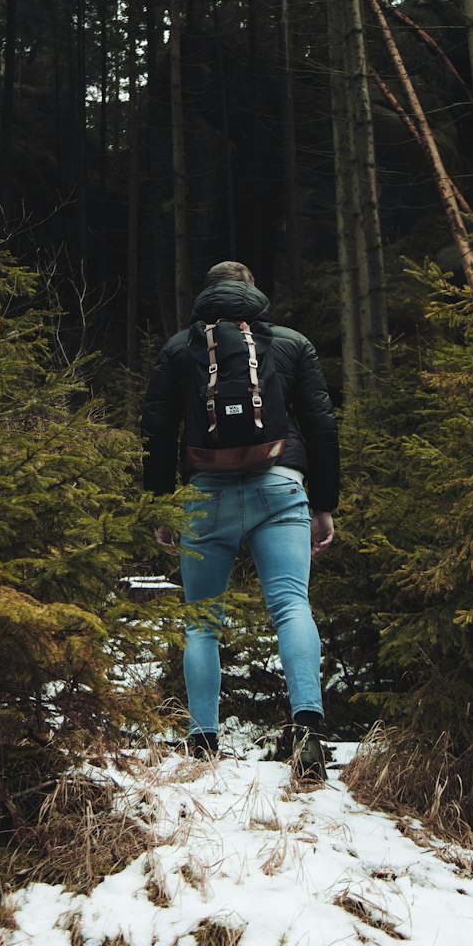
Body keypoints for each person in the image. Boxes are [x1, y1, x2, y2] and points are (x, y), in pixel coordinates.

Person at [141, 260, 339, 782]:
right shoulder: (292, 344)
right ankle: (309, 734)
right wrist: (324, 503)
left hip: (205, 495)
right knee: (292, 605)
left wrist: (161, 502)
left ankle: (203, 742)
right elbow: (320, 423)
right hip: (280, 489)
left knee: (202, 622)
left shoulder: (179, 348)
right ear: (252, 293)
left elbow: (157, 428)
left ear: (208, 295)